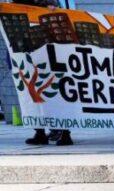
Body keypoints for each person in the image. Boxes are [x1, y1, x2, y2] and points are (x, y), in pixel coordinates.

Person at [14, 0, 74, 146]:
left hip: (46, 47)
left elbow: (54, 7)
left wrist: (50, 5)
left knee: (54, 92)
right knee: (31, 93)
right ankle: (41, 131)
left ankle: (63, 132)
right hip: (27, 45)